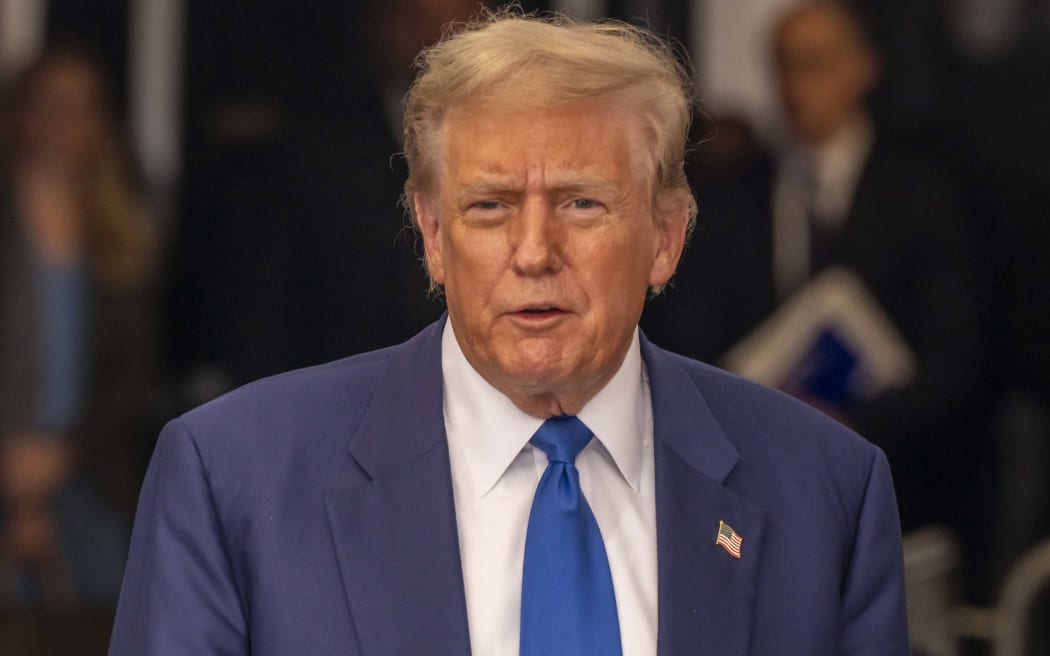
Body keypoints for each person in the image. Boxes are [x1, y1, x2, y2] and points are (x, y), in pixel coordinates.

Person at [110, 10, 908, 655]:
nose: (533, 253)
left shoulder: (824, 489)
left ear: (666, 237)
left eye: (582, 203)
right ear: (430, 235)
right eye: (489, 206)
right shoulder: (233, 480)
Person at [0, 46, 158, 610]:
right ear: (18, 114)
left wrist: (59, 457)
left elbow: (132, 379)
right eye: (48, 105)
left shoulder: (124, 241)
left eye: (79, 108)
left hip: (90, 477)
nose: (60, 123)